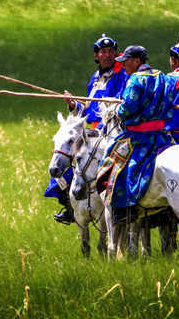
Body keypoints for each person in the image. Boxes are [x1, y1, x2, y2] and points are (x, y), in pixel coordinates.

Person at [45, 33, 129, 225]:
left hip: (111, 131)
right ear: (96, 56)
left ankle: (119, 206)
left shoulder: (122, 75)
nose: (107, 55)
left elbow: (122, 104)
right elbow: (88, 110)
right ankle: (69, 204)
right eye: (103, 52)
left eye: (111, 51)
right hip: (92, 132)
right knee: (63, 156)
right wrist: (74, 105)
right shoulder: (95, 78)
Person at [95, 45, 177, 223]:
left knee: (114, 162)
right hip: (162, 136)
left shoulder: (135, 80)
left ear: (137, 61)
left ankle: (125, 208)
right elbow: (171, 99)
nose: (123, 65)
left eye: (126, 61)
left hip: (139, 137)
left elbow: (127, 108)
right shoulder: (163, 77)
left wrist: (118, 111)